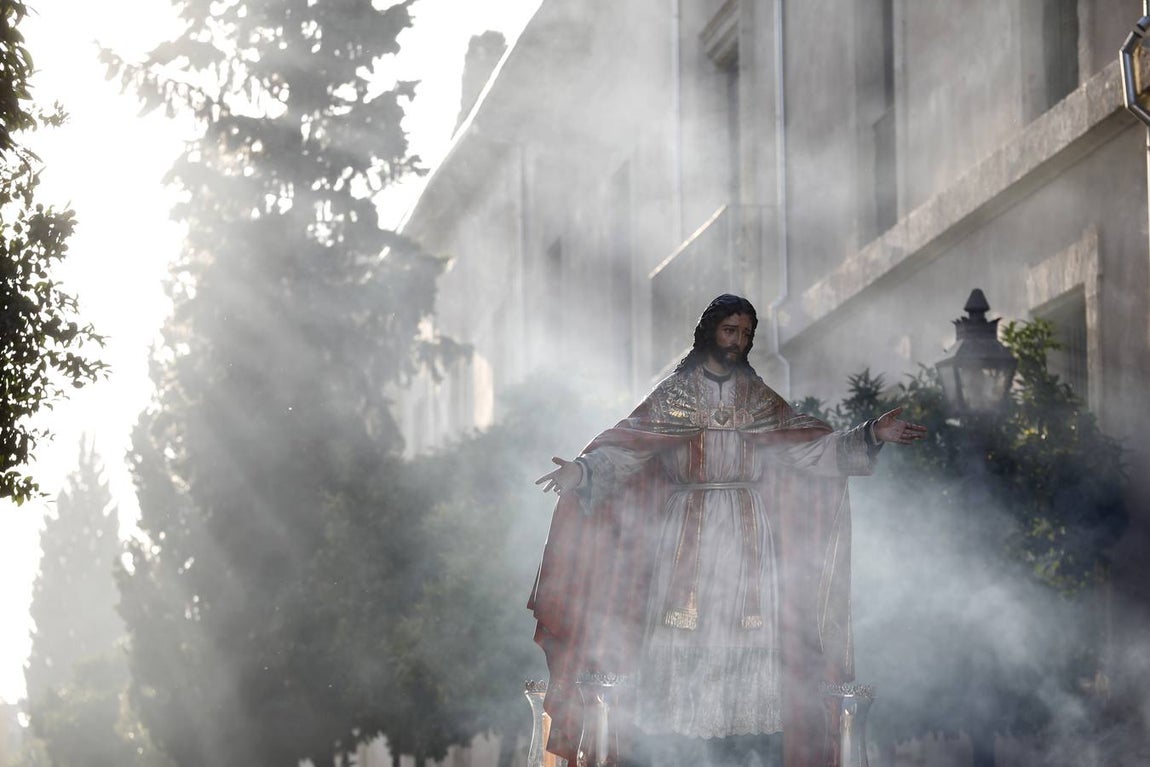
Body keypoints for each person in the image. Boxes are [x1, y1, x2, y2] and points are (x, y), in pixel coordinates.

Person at [528, 294, 926, 767]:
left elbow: (811, 450)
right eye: (729, 331)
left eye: (745, 333)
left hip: (747, 534)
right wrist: (582, 471)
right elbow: (627, 449)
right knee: (680, 639)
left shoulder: (758, 399)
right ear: (709, 332)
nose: (737, 341)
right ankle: (678, 752)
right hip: (684, 536)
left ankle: (741, 751)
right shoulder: (674, 393)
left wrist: (870, 434)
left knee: (749, 641)